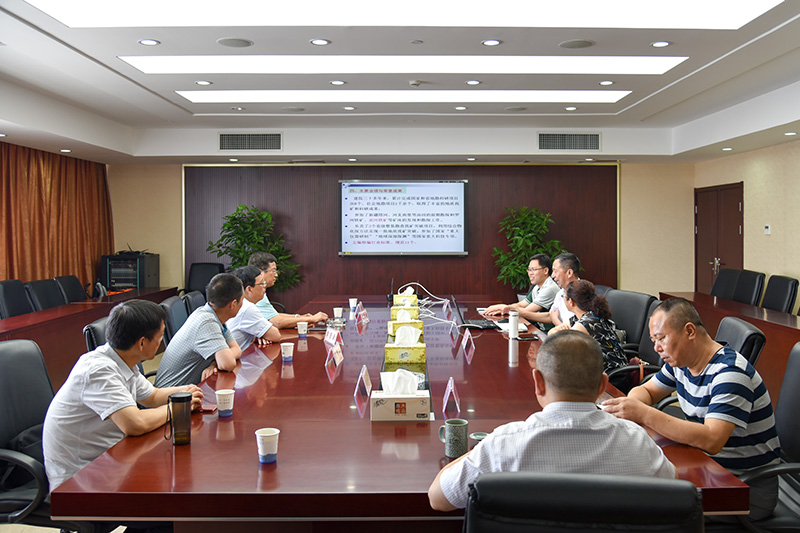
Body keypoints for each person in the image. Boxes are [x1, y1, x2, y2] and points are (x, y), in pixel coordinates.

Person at [428, 330, 675, 511]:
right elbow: (672, 490)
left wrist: (479, 449)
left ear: (538, 382)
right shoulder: (638, 442)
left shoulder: (503, 445)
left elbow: (438, 498)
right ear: (603, 385)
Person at [602, 297, 780, 520]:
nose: (656, 348)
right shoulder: (682, 364)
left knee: (640, 504)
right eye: (653, 340)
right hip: (706, 466)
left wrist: (644, 413)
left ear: (689, 331)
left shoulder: (730, 373)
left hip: (745, 488)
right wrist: (634, 404)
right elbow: (646, 391)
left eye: (661, 338)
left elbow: (712, 440)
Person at [43, 299, 203, 491]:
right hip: (81, 479)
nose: (162, 340)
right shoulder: (98, 371)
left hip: (111, 460)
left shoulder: (122, 360)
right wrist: (178, 408)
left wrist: (186, 391)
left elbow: (152, 397)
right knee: (174, 489)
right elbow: (135, 424)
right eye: (160, 335)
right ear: (142, 343)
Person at [155, 273, 244, 387]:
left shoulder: (213, 315)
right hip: (172, 394)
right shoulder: (206, 322)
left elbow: (236, 349)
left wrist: (214, 363)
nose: (243, 303)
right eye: (242, 299)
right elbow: (228, 364)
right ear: (233, 304)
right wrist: (221, 361)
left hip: (189, 390)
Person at [550, 279, 627, 373]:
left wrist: (559, 332)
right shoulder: (584, 316)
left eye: (564, 297)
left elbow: (557, 345)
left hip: (613, 376)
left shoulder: (586, 322)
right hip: (602, 371)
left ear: (571, 301)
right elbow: (552, 333)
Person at [248, 251, 328, 328]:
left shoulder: (256, 288)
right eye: (273, 271)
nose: (276, 275)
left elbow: (273, 315)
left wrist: (300, 317)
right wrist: (312, 319)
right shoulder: (253, 292)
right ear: (260, 272)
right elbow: (276, 322)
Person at [482, 253, 559, 328]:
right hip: (540, 329)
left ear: (545, 271)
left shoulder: (549, 288)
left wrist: (502, 307)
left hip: (549, 332)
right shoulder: (537, 287)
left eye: (534, 269)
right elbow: (521, 305)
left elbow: (526, 311)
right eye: (529, 270)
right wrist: (504, 309)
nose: (530, 273)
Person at [227, 265, 282, 350]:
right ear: (249, 289)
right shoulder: (246, 308)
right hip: (236, 357)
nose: (264, 286)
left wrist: (260, 334)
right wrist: (262, 334)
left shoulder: (237, 302)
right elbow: (276, 336)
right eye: (261, 283)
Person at [548, 252, 581, 327]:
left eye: (555, 271)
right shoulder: (560, 293)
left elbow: (577, 326)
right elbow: (552, 313)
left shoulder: (584, 293)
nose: (552, 276)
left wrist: (560, 326)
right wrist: (560, 325)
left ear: (569, 273)